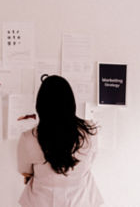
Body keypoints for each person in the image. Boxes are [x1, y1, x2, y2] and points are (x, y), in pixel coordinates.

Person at [17, 75, 104, 207]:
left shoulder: (29, 138)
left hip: (41, 202)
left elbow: (24, 170)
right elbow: (90, 162)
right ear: (71, 103)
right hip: (82, 201)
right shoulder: (90, 133)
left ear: (41, 106)